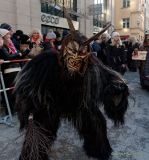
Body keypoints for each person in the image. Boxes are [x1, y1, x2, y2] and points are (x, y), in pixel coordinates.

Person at [14, 20, 129, 160]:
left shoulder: (91, 63)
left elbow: (108, 76)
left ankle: (98, 150)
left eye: (80, 54)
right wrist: (29, 107)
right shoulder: (46, 61)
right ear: (64, 50)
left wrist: (117, 87)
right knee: (40, 130)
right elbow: (25, 85)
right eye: (71, 52)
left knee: (96, 123)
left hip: (78, 102)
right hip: (50, 103)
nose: (75, 59)